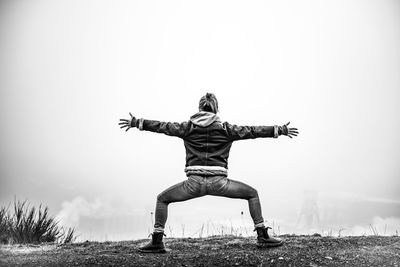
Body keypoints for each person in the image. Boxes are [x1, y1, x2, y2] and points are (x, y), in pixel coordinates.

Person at [119, 93, 299, 253]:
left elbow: (163, 126)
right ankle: (263, 236)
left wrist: (138, 123)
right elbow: (253, 131)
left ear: (199, 108)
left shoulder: (187, 128)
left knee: (162, 199)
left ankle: (157, 241)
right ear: (217, 109)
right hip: (220, 184)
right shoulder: (226, 129)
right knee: (252, 194)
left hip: (193, 184)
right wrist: (279, 130)